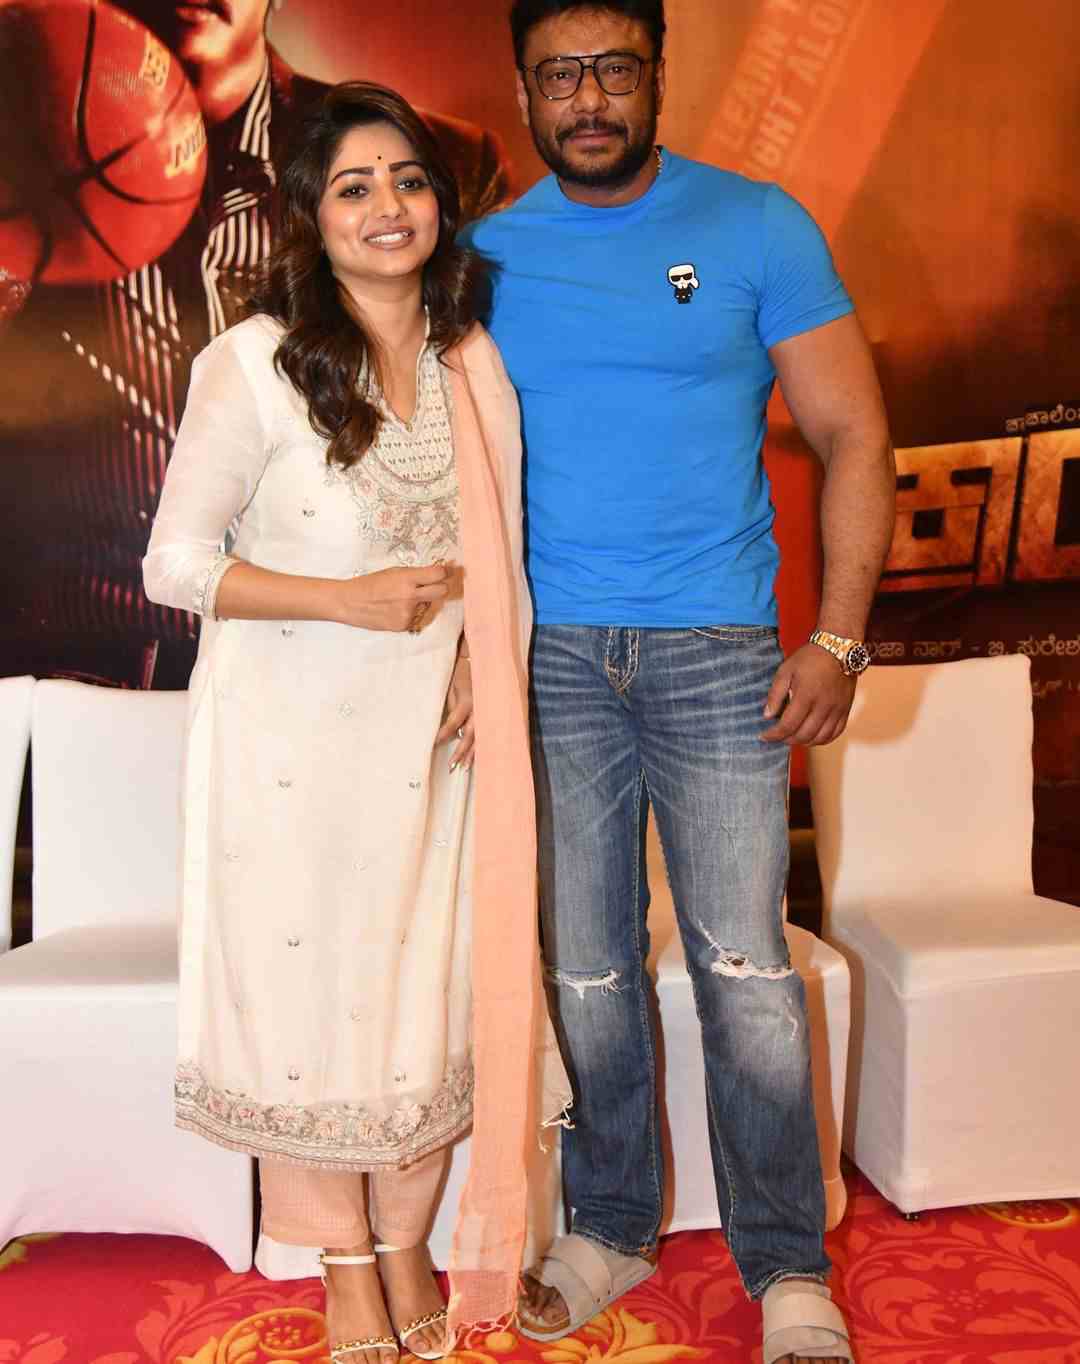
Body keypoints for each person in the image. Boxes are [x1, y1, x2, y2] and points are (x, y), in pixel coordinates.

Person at [463, 3, 895, 1362]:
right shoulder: (486, 255)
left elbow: (853, 429)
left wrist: (837, 637)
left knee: (746, 967)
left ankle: (788, 1265)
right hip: (553, 659)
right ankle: (610, 1223)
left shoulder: (759, 225)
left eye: (614, 70)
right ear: (525, 93)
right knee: (587, 966)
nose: (589, 98)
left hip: (718, 653)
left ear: (657, 76)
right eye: (561, 75)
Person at [143, 81, 566, 1364]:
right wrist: (347, 598)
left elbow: (504, 552)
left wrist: (482, 660)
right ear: (311, 217)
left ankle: (407, 1236)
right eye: (354, 186)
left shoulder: (470, 363)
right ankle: (342, 1256)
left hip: (436, 745)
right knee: (313, 994)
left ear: (441, 204)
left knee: (425, 995)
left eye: (409, 180)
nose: (389, 206)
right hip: (287, 751)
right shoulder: (254, 364)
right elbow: (174, 563)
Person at [0, 0, 511, 689]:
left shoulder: (443, 164)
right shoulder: (14, 127)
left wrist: (480, 647)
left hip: (335, 670)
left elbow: (506, 457)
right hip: (72, 676)